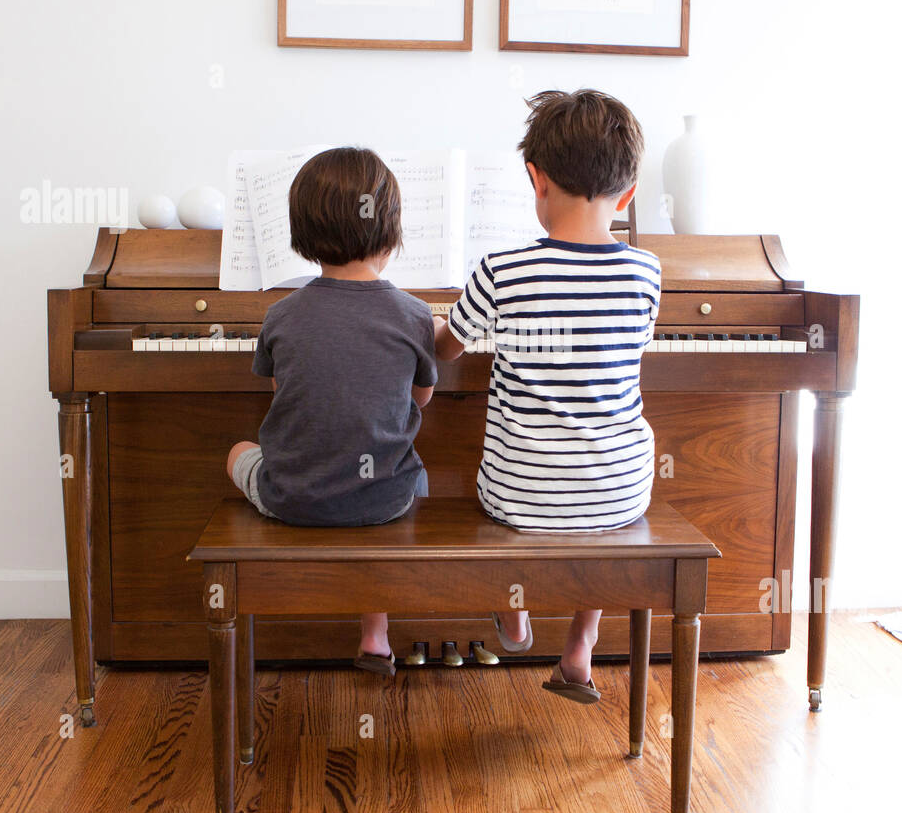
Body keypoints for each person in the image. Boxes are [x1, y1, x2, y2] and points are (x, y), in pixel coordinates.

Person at [434, 90, 661, 703]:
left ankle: (512, 615)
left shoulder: (501, 270)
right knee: (612, 483)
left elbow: (447, 347)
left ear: (536, 180)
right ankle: (581, 646)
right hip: (617, 492)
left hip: (522, 495)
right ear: (630, 191)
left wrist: (432, 320)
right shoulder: (646, 273)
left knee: (510, 473)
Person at [227, 147, 436, 678]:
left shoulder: (281, 315)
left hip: (293, 496)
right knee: (409, 469)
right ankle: (375, 634)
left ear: (302, 234)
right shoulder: (413, 315)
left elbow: (286, 394)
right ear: (390, 233)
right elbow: (418, 400)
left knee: (238, 451)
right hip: (385, 501)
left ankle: (290, 631)